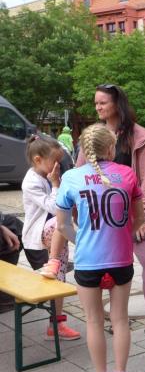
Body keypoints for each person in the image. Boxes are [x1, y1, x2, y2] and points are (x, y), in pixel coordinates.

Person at [57, 125, 145, 372]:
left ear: (84, 150)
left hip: (88, 262)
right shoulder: (127, 174)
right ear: (110, 148)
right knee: (120, 319)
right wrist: (123, 238)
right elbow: (139, 219)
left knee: (94, 321)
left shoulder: (71, 178)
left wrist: (81, 241)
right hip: (121, 260)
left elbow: (62, 226)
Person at [77, 84, 145, 334]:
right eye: (96, 103)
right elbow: (79, 172)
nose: (98, 107)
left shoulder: (138, 135)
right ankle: (116, 320)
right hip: (102, 217)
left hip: (132, 216)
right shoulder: (94, 134)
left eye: (103, 102)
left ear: (117, 103)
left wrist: (141, 218)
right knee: (106, 269)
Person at [21, 135, 81, 340]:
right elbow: (55, 208)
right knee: (60, 221)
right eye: (55, 161)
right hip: (38, 236)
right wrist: (55, 184)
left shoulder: (47, 174)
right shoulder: (31, 182)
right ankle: (58, 259)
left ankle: (56, 325)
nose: (58, 166)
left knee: (59, 279)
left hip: (57, 235)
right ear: (38, 160)